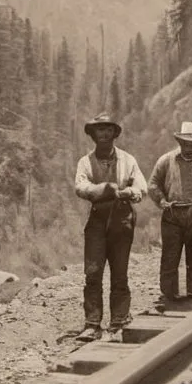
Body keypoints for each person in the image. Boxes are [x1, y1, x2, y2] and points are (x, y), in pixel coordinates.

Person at [74, 113, 147, 339]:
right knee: (93, 272)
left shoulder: (128, 160)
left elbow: (142, 187)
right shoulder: (86, 161)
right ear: (93, 135)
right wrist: (104, 188)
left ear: (114, 134)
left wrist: (128, 192)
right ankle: (93, 323)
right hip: (97, 221)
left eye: (108, 130)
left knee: (120, 272)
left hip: (121, 219)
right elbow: (80, 186)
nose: (103, 134)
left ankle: (119, 321)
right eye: (99, 130)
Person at [148, 121, 192, 302]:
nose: (189, 148)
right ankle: (168, 293)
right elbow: (153, 184)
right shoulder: (166, 160)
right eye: (186, 144)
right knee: (170, 256)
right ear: (180, 143)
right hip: (172, 214)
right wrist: (161, 200)